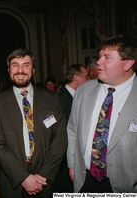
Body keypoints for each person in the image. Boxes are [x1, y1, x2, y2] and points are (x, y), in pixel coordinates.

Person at [0, 48, 67, 197]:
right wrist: (23, 177)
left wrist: (44, 174)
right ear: (9, 70)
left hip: (46, 179)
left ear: (33, 69)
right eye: (15, 65)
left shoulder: (52, 99)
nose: (20, 70)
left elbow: (60, 139)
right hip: (13, 178)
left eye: (26, 64)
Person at [67, 33, 137, 193]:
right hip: (84, 180)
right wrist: (72, 165)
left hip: (125, 187)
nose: (98, 62)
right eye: (100, 57)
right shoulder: (84, 90)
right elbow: (72, 131)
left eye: (107, 57)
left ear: (128, 64)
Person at [53, 64, 89, 193]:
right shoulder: (60, 99)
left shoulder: (80, 95)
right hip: (65, 154)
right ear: (76, 78)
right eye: (86, 76)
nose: (89, 80)